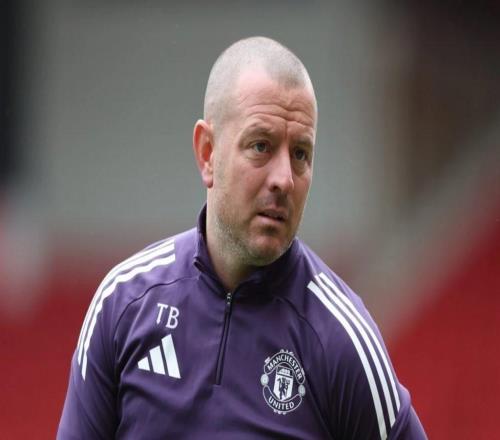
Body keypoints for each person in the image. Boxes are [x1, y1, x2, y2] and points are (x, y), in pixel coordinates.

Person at [57, 36, 427, 439]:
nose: (284, 179)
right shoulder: (123, 303)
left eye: (300, 154)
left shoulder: (340, 340)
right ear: (207, 153)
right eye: (261, 146)